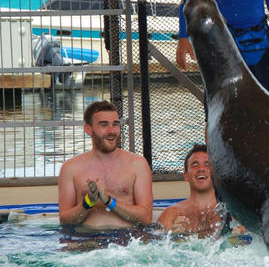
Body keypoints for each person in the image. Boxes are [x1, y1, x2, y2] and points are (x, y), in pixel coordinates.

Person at [58, 100, 153, 229]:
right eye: (104, 125)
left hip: (126, 242)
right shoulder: (71, 168)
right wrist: (88, 202)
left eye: (115, 124)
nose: (111, 131)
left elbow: (146, 218)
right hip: (86, 240)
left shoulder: (137, 164)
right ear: (88, 129)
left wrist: (109, 201)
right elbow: (65, 221)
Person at [158, 144, 245, 238]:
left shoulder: (233, 211)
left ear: (216, 173)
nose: (201, 169)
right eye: (195, 165)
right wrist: (173, 235)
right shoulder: (172, 213)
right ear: (186, 175)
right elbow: (158, 243)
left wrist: (239, 234)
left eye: (207, 164)